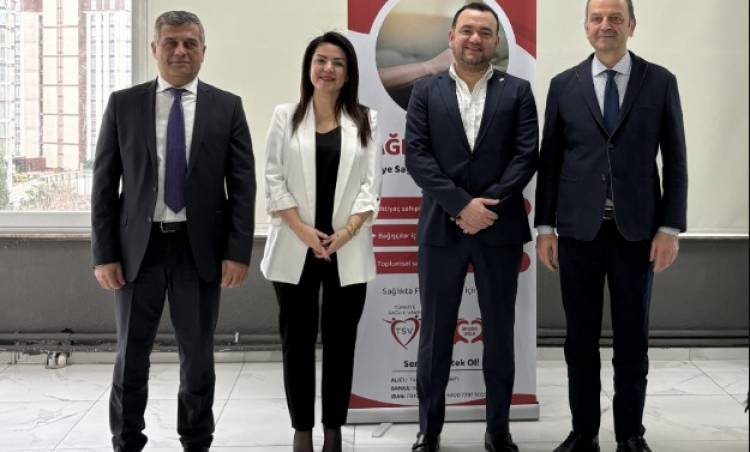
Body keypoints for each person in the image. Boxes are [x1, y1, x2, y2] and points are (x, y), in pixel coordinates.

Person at [91, 10, 255, 452]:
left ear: (203, 51)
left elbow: (242, 187)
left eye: (189, 43)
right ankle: (126, 440)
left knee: (198, 357)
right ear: (155, 49)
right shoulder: (123, 105)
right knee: (130, 356)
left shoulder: (227, 106)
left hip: (198, 250)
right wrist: (104, 254)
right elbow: (104, 185)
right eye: (171, 42)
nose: (180, 51)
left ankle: (196, 440)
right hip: (137, 252)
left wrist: (237, 252)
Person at [534, 0, 687, 451]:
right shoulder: (564, 85)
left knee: (632, 340)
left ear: (631, 26)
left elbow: (675, 158)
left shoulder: (660, 81)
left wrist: (670, 228)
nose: (606, 25)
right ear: (586, 27)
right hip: (577, 233)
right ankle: (584, 433)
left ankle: (630, 434)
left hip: (636, 234)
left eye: (616, 18)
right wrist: (545, 226)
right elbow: (550, 161)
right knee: (579, 340)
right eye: (597, 18)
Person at [404, 3, 538, 451]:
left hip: (499, 230)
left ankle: (498, 430)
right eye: (466, 30)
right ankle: (429, 430)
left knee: (499, 335)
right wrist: (462, 205)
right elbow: (417, 155)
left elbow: (526, 155)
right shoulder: (425, 91)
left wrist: (486, 207)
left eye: (484, 32)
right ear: (451, 37)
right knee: (434, 336)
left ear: (496, 41)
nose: (474, 38)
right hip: (441, 229)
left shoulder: (518, 91)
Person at [260, 31, 381, 452]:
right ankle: (301, 430)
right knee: (296, 342)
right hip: (296, 246)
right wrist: (302, 230)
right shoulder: (285, 116)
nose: (328, 69)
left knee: (341, 343)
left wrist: (345, 233)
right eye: (321, 61)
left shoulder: (365, 119)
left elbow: (370, 187)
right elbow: (273, 179)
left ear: (348, 74)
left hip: (347, 248)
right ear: (309, 68)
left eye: (338, 63)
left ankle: (333, 430)